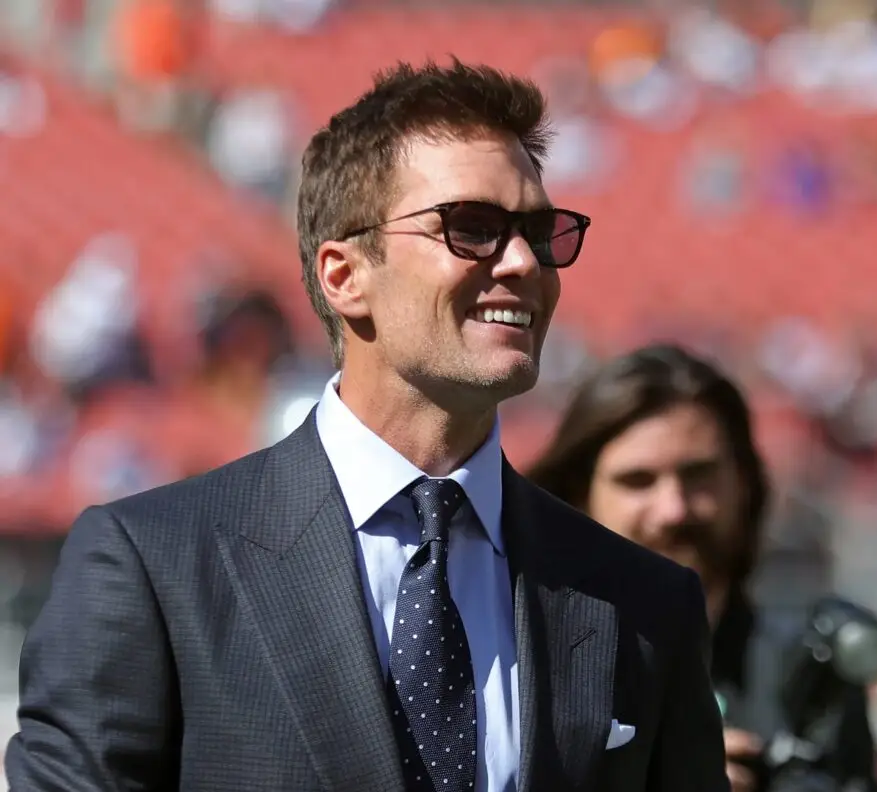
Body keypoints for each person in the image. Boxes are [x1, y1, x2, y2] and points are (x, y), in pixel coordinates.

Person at [5, 61, 728, 792]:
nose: (521, 262)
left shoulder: (642, 604)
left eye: (538, 233)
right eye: (472, 228)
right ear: (344, 276)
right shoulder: (155, 569)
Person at [529, 343, 877, 792]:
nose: (673, 510)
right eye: (637, 481)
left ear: (745, 483)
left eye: (698, 475)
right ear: (577, 497)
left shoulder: (807, 668)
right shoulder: (527, 661)